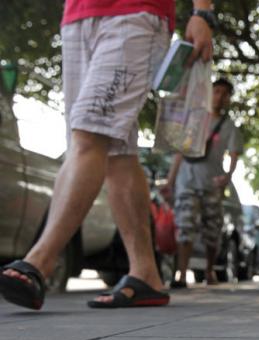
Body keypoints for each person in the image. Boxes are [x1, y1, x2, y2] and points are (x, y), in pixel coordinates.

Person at [0, 0, 215, 310]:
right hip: (77, 16)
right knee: (116, 151)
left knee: (89, 135)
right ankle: (146, 275)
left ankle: (39, 262)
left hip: (137, 14)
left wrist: (202, 12)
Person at [164, 78, 243, 288]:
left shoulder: (230, 127)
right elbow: (179, 152)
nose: (220, 96)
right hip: (187, 181)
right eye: (216, 91)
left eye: (225, 94)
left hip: (211, 183)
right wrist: (170, 182)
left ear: (229, 99)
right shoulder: (195, 120)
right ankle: (181, 273)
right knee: (185, 225)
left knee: (212, 229)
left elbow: (234, 155)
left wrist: (228, 176)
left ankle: (209, 270)